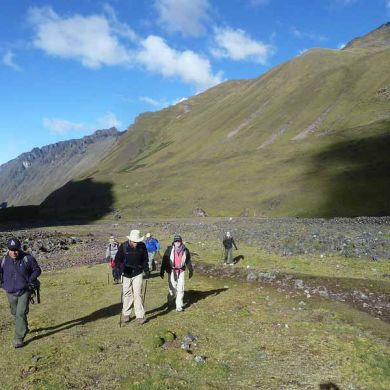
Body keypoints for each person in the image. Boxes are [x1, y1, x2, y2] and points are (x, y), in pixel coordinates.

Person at [0, 238, 41, 348]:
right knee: (15, 313)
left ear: (20, 248)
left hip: (24, 290)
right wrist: (2, 284)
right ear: (8, 249)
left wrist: (30, 280)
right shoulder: (3, 260)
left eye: (16, 250)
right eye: (11, 250)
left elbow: (37, 270)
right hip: (10, 291)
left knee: (20, 313)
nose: (14, 252)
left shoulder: (28, 258)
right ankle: (25, 327)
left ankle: (19, 338)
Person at [114, 230, 149, 324]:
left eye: (137, 241)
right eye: (134, 241)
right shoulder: (124, 246)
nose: (136, 243)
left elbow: (145, 259)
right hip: (126, 273)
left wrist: (146, 269)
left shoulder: (142, 246)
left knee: (138, 294)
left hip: (137, 273)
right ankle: (126, 314)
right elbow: (117, 259)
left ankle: (140, 315)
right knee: (127, 293)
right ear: (130, 240)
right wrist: (120, 269)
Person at [160, 234, 193, 312]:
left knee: (180, 288)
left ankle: (179, 306)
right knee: (172, 288)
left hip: (181, 271)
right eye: (176, 241)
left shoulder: (185, 250)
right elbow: (164, 261)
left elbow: (188, 260)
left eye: (179, 241)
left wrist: (191, 270)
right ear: (173, 242)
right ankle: (170, 299)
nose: (177, 242)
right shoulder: (169, 250)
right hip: (171, 271)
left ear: (181, 241)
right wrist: (162, 271)